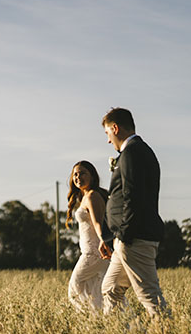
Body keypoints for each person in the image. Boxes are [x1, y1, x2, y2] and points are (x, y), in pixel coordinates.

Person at [98, 108, 168, 317]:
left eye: (107, 134)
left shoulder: (132, 153)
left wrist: (124, 235)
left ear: (115, 128)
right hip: (128, 238)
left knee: (150, 297)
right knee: (110, 289)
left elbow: (132, 197)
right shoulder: (139, 151)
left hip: (134, 238)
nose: (108, 141)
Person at [66, 160, 111, 314]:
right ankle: (102, 320)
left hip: (95, 252)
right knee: (96, 289)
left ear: (92, 176)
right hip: (93, 251)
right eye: (75, 175)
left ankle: (92, 318)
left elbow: (99, 223)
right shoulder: (85, 197)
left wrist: (104, 241)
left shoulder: (93, 196)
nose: (78, 177)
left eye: (83, 173)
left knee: (75, 286)